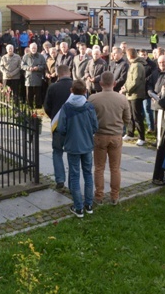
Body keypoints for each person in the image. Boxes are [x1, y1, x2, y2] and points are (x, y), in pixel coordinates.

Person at [57, 80, 99, 218]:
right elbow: (95, 126)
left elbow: (61, 128)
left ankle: (78, 207)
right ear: (85, 91)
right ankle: (88, 204)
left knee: (74, 175)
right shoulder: (89, 107)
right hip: (87, 145)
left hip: (72, 146)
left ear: (71, 90)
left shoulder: (66, 107)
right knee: (88, 174)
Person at [89, 71, 131, 205]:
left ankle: (99, 196)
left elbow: (88, 118)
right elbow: (128, 119)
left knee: (99, 168)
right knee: (115, 168)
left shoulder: (93, 98)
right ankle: (114, 196)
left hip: (100, 136)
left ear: (100, 83)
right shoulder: (122, 98)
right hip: (116, 136)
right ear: (114, 83)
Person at [43, 65, 74, 190]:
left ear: (58, 74)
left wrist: (54, 117)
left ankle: (60, 179)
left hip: (57, 125)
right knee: (73, 154)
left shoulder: (53, 87)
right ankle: (73, 182)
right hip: (73, 126)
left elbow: (46, 107)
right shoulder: (77, 86)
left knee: (57, 152)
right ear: (69, 72)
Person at [121, 48, 147, 147]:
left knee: (137, 116)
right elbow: (129, 79)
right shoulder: (133, 64)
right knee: (130, 115)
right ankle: (130, 133)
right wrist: (125, 87)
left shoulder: (137, 66)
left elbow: (135, 81)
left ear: (129, 56)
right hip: (130, 94)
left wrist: (126, 89)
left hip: (136, 95)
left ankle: (141, 137)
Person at [21, 42, 47, 108]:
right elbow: (22, 65)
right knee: (29, 93)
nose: (34, 49)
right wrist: (28, 68)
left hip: (37, 77)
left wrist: (38, 68)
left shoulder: (41, 56)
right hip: (29, 77)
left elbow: (44, 66)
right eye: (32, 48)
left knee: (38, 92)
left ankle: (38, 105)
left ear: (37, 48)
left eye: (35, 48)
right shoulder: (26, 56)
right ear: (30, 48)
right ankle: (30, 105)